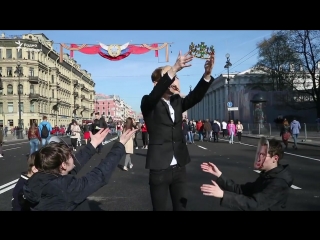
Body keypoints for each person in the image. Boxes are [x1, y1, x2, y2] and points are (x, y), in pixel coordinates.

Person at [140, 51, 215, 211]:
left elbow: (195, 97)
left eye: (175, 77)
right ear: (156, 83)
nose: (174, 79)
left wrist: (207, 75)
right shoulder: (148, 102)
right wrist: (173, 68)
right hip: (159, 168)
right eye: (169, 76)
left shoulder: (176, 102)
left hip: (179, 167)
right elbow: (154, 97)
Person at [23, 128, 137, 211]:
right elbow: (100, 175)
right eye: (71, 155)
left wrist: (92, 144)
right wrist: (120, 145)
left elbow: (74, 165)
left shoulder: (39, 180)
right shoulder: (64, 188)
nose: (74, 156)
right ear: (63, 165)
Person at [200, 138, 294, 211]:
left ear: (275, 158)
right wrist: (219, 175)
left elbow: (254, 204)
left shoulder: (278, 182)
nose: (258, 158)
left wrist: (223, 194)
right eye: (258, 154)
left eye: (263, 155)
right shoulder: (268, 175)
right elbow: (241, 190)